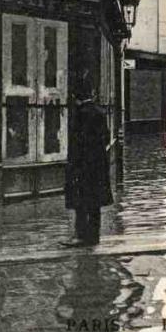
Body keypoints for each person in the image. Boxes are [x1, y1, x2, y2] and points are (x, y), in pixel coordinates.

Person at [62, 75, 113, 247]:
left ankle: (81, 236)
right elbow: (106, 138)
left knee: (81, 202)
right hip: (98, 166)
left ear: (77, 97)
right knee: (95, 203)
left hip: (83, 166)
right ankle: (94, 237)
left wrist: (73, 166)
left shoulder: (80, 115)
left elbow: (77, 143)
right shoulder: (100, 112)